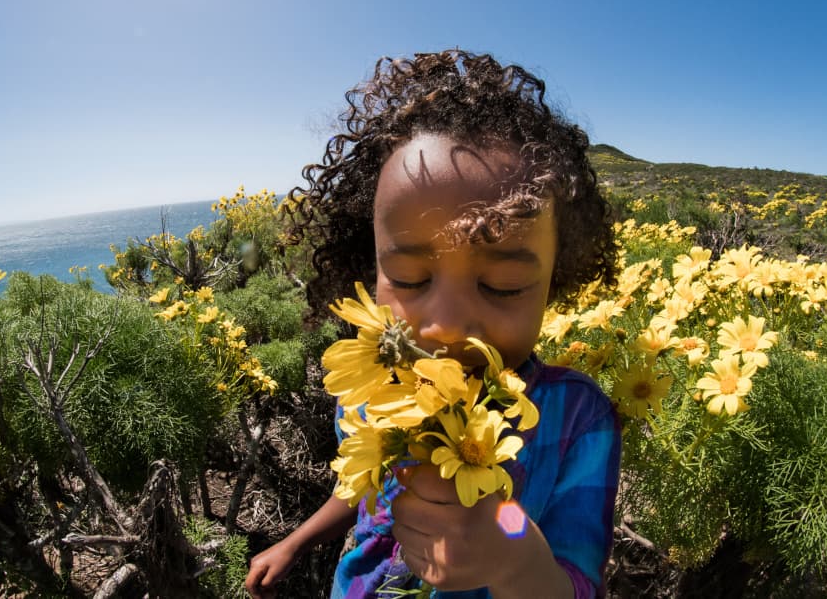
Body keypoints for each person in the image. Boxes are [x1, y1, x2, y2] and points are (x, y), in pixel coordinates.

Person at [245, 49, 621, 598]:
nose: (445, 328)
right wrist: (297, 541)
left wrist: (513, 552)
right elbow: (361, 484)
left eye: (502, 287)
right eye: (409, 277)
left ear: (553, 283)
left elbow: (577, 581)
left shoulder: (576, 420)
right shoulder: (368, 392)